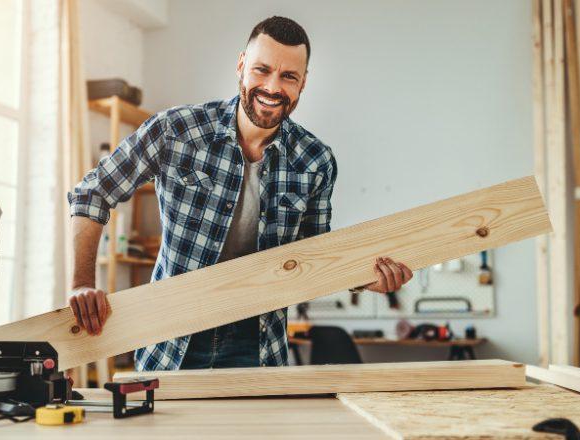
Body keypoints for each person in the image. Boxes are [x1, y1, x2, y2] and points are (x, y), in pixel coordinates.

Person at [66, 16, 413, 371]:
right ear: (241, 66)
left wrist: (362, 278)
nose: (272, 87)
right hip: (171, 342)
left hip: (258, 348)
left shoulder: (315, 161)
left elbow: (314, 258)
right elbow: (92, 193)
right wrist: (81, 284)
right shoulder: (175, 131)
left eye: (288, 76)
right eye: (262, 70)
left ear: (303, 83)